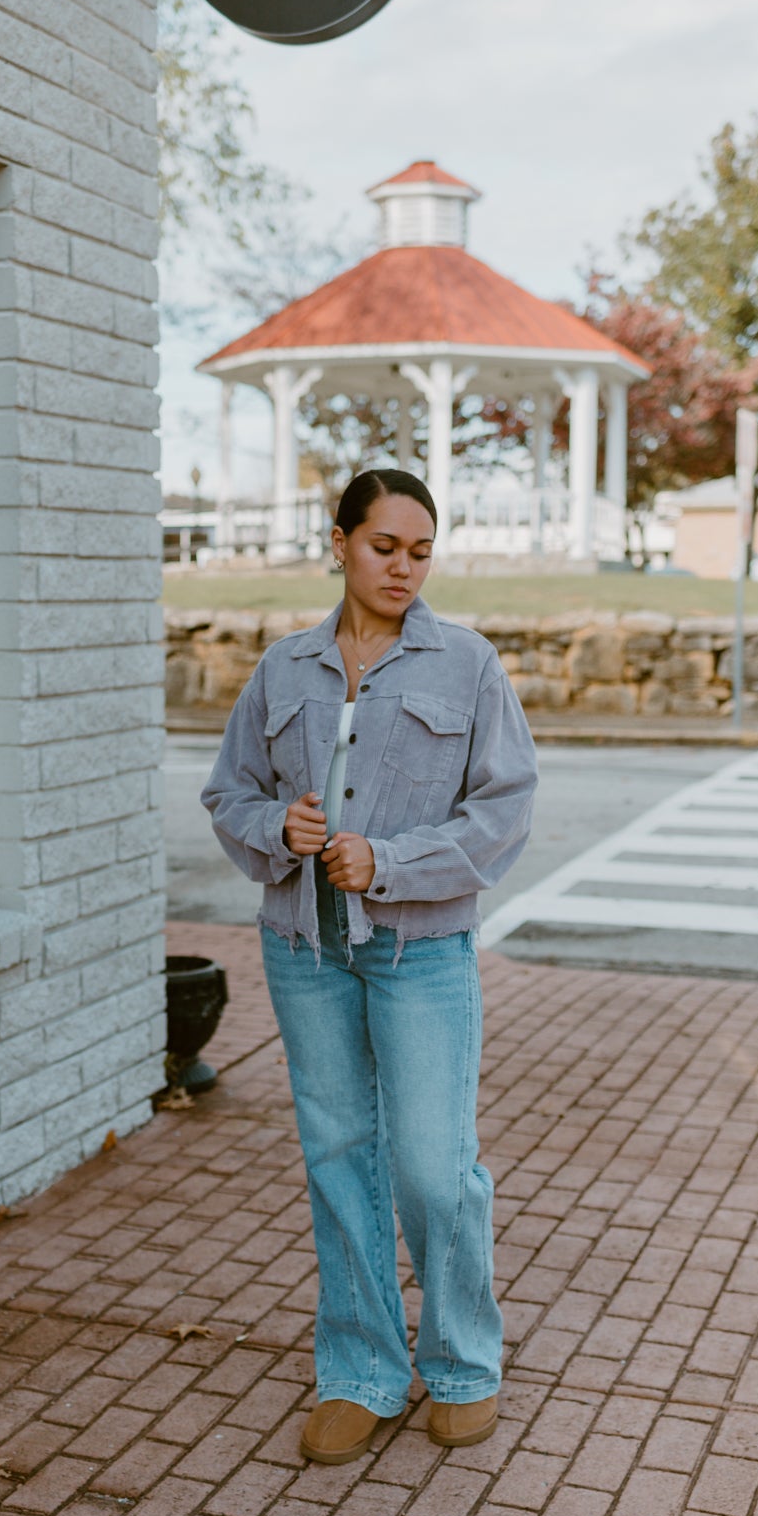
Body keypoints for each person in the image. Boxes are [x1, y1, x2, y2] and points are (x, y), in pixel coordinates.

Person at [201, 469, 539, 1465]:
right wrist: (283, 825)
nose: (402, 565)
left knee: (434, 1165)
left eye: (419, 549)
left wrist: (387, 859)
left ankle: (464, 1360)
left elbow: (502, 812)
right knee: (340, 1157)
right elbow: (230, 796)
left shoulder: (467, 665)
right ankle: (360, 1369)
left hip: (419, 949)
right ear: (339, 542)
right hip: (304, 948)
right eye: (383, 544)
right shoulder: (284, 667)